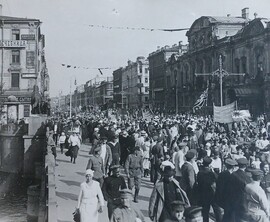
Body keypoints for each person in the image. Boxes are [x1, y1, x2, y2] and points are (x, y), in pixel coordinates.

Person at [197, 156, 221, 222]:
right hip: (212, 193)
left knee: (205, 211)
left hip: (204, 194)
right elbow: (217, 179)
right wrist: (213, 171)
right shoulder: (211, 173)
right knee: (217, 210)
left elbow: (198, 183)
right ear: (209, 164)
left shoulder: (200, 173)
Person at [230, 157, 252, 221]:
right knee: (243, 218)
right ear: (245, 165)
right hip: (243, 200)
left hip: (233, 198)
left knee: (235, 216)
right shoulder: (247, 176)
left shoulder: (233, 174)